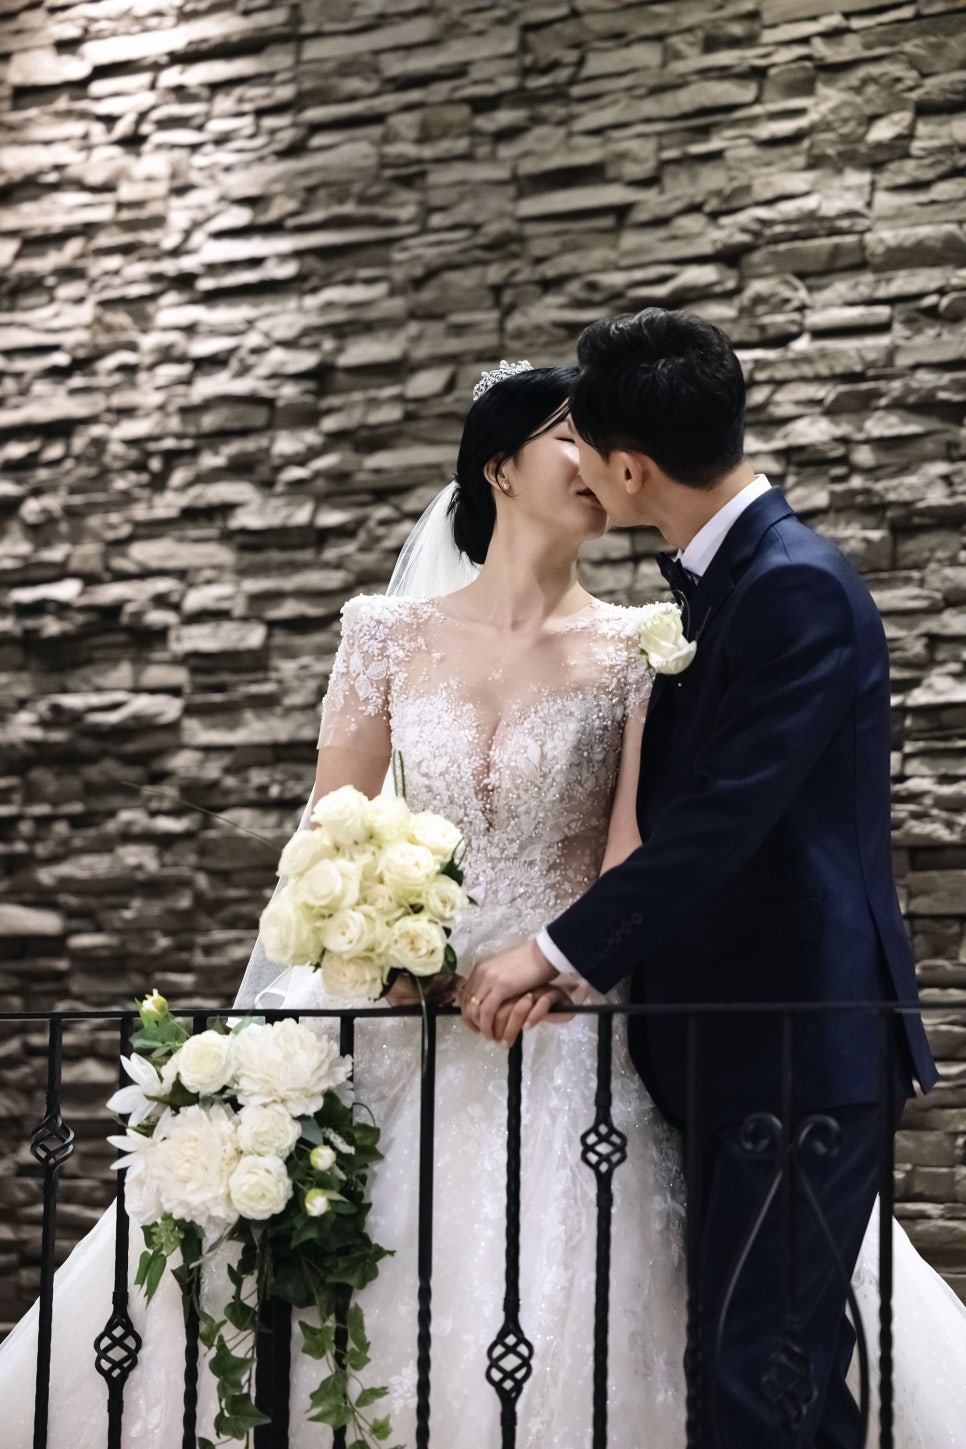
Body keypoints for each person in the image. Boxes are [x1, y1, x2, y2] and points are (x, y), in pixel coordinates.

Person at [460, 311, 961, 1446]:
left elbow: (725, 817)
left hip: (798, 1045)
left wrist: (553, 950)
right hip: (732, 1043)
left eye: (586, 446)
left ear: (632, 468)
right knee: (763, 1377)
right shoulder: (727, 581)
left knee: (757, 1376)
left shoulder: (793, 587)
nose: (581, 468)